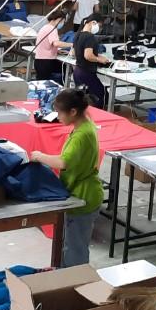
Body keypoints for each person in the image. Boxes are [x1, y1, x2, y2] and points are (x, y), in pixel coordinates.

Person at [30, 88, 102, 268]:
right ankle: (66, 276)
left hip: (83, 196)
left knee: (75, 250)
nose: (58, 117)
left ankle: (75, 281)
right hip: (81, 190)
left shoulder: (82, 135)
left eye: (60, 113)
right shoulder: (84, 124)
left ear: (73, 112)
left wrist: (39, 156)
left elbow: (63, 162)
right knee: (69, 245)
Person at [72, 14, 111, 109]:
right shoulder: (89, 37)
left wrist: (97, 55)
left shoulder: (78, 34)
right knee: (99, 95)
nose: (99, 29)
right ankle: (97, 115)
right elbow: (88, 55)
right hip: (86, 73)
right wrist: (99, 59)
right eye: (100, 26)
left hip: (77, 72)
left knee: (82, 99)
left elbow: (74, 53)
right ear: (93, 22)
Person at [33, 11, 66, 81]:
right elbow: (56, 43)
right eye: (62, 21)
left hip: (39, 61)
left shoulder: (45, 27)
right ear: (58, 19)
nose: (62, 23)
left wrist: (57, 51)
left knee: (41, 82)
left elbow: (47, 44)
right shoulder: (52, 29)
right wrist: (72, 44)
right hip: (46, 62)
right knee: (65, 69)